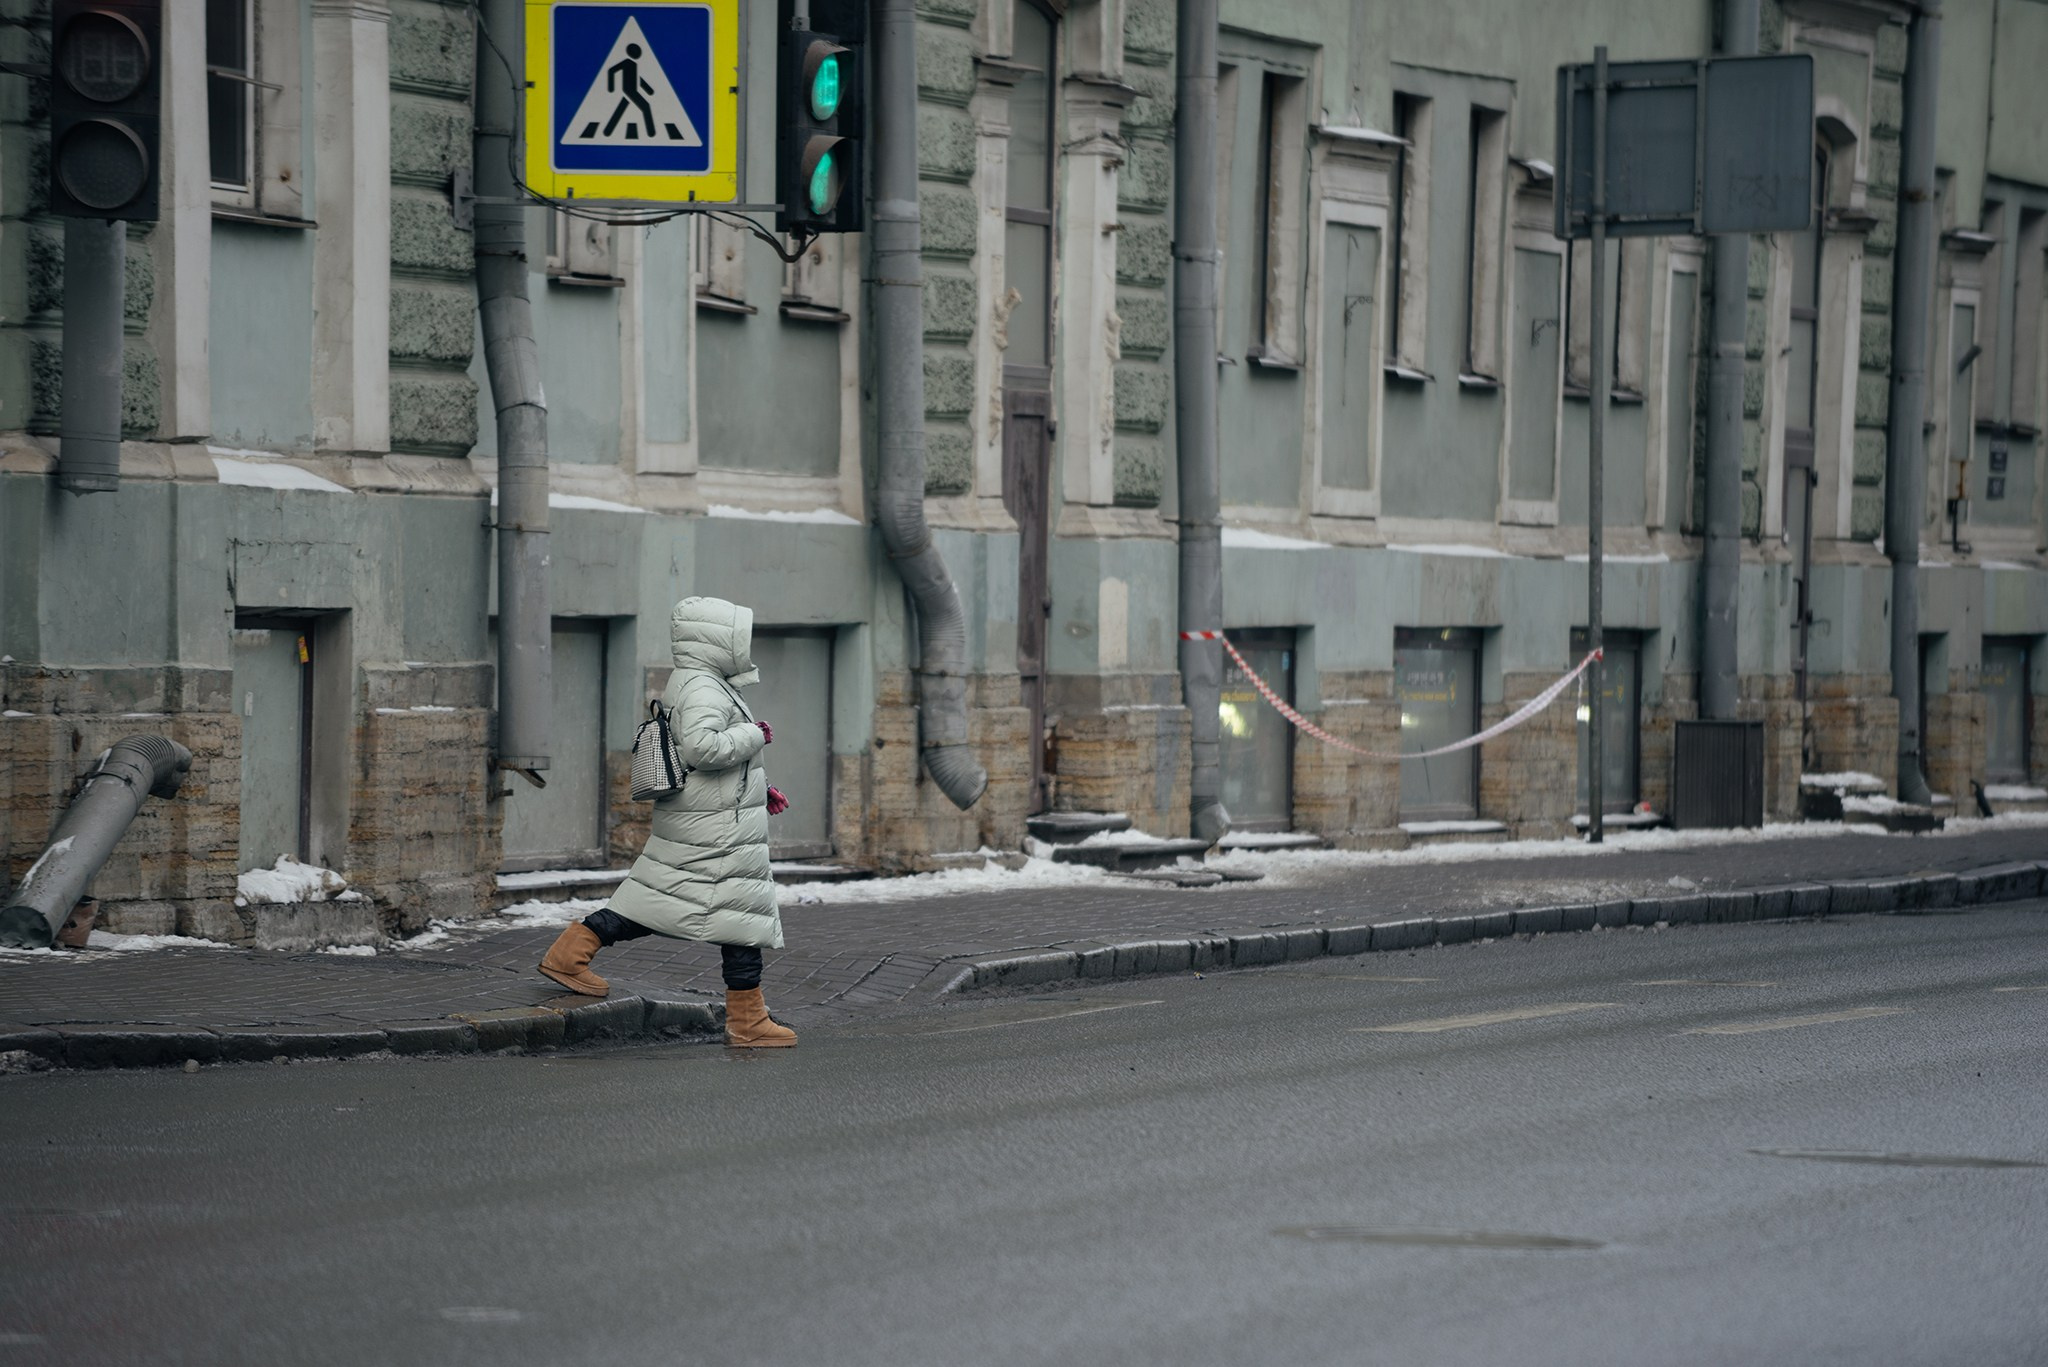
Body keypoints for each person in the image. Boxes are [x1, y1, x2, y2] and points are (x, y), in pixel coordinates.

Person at [537, 595, 797, 1048]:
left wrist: (759, 789)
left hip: (712, 818)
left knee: (669, 900)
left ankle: (571, 953)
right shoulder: (703, 687)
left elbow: (700, 755)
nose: (745, 644)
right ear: (715, 640)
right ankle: (748, 1022)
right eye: (738, 636)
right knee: (736, 919)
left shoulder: (704, 682)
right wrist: (756, 733)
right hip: (714, 828)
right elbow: (701, 748)